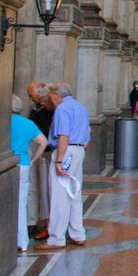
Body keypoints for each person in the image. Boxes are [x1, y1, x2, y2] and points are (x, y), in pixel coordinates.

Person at [35, 83, 92, 251]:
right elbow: (88, 133)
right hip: (79, 149)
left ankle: (56, 238)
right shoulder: (80, 106)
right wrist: (78, 150)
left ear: (55, 95)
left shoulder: (62, 109)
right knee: (74, 192)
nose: (49, 100)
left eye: (50, 96)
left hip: (66, 151)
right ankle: (77, 234)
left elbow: (63, 136)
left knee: (59, 195)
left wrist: (60, 160)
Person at [11, 94, 47, 252]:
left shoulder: (1, 122)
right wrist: (33, 159)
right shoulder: (27, 123)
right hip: (23, 164)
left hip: (6, 164)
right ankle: (23, 242)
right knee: (21, 204)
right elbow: (43, 142)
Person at [26, 81, 53, 240]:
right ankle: (35, 221)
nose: (31, 99)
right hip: (38, 150)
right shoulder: (36, 110)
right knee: (35, 187)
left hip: (46, 152)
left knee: (46, 189)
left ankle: (49, 224)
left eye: (32, 95)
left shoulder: (51, 111)